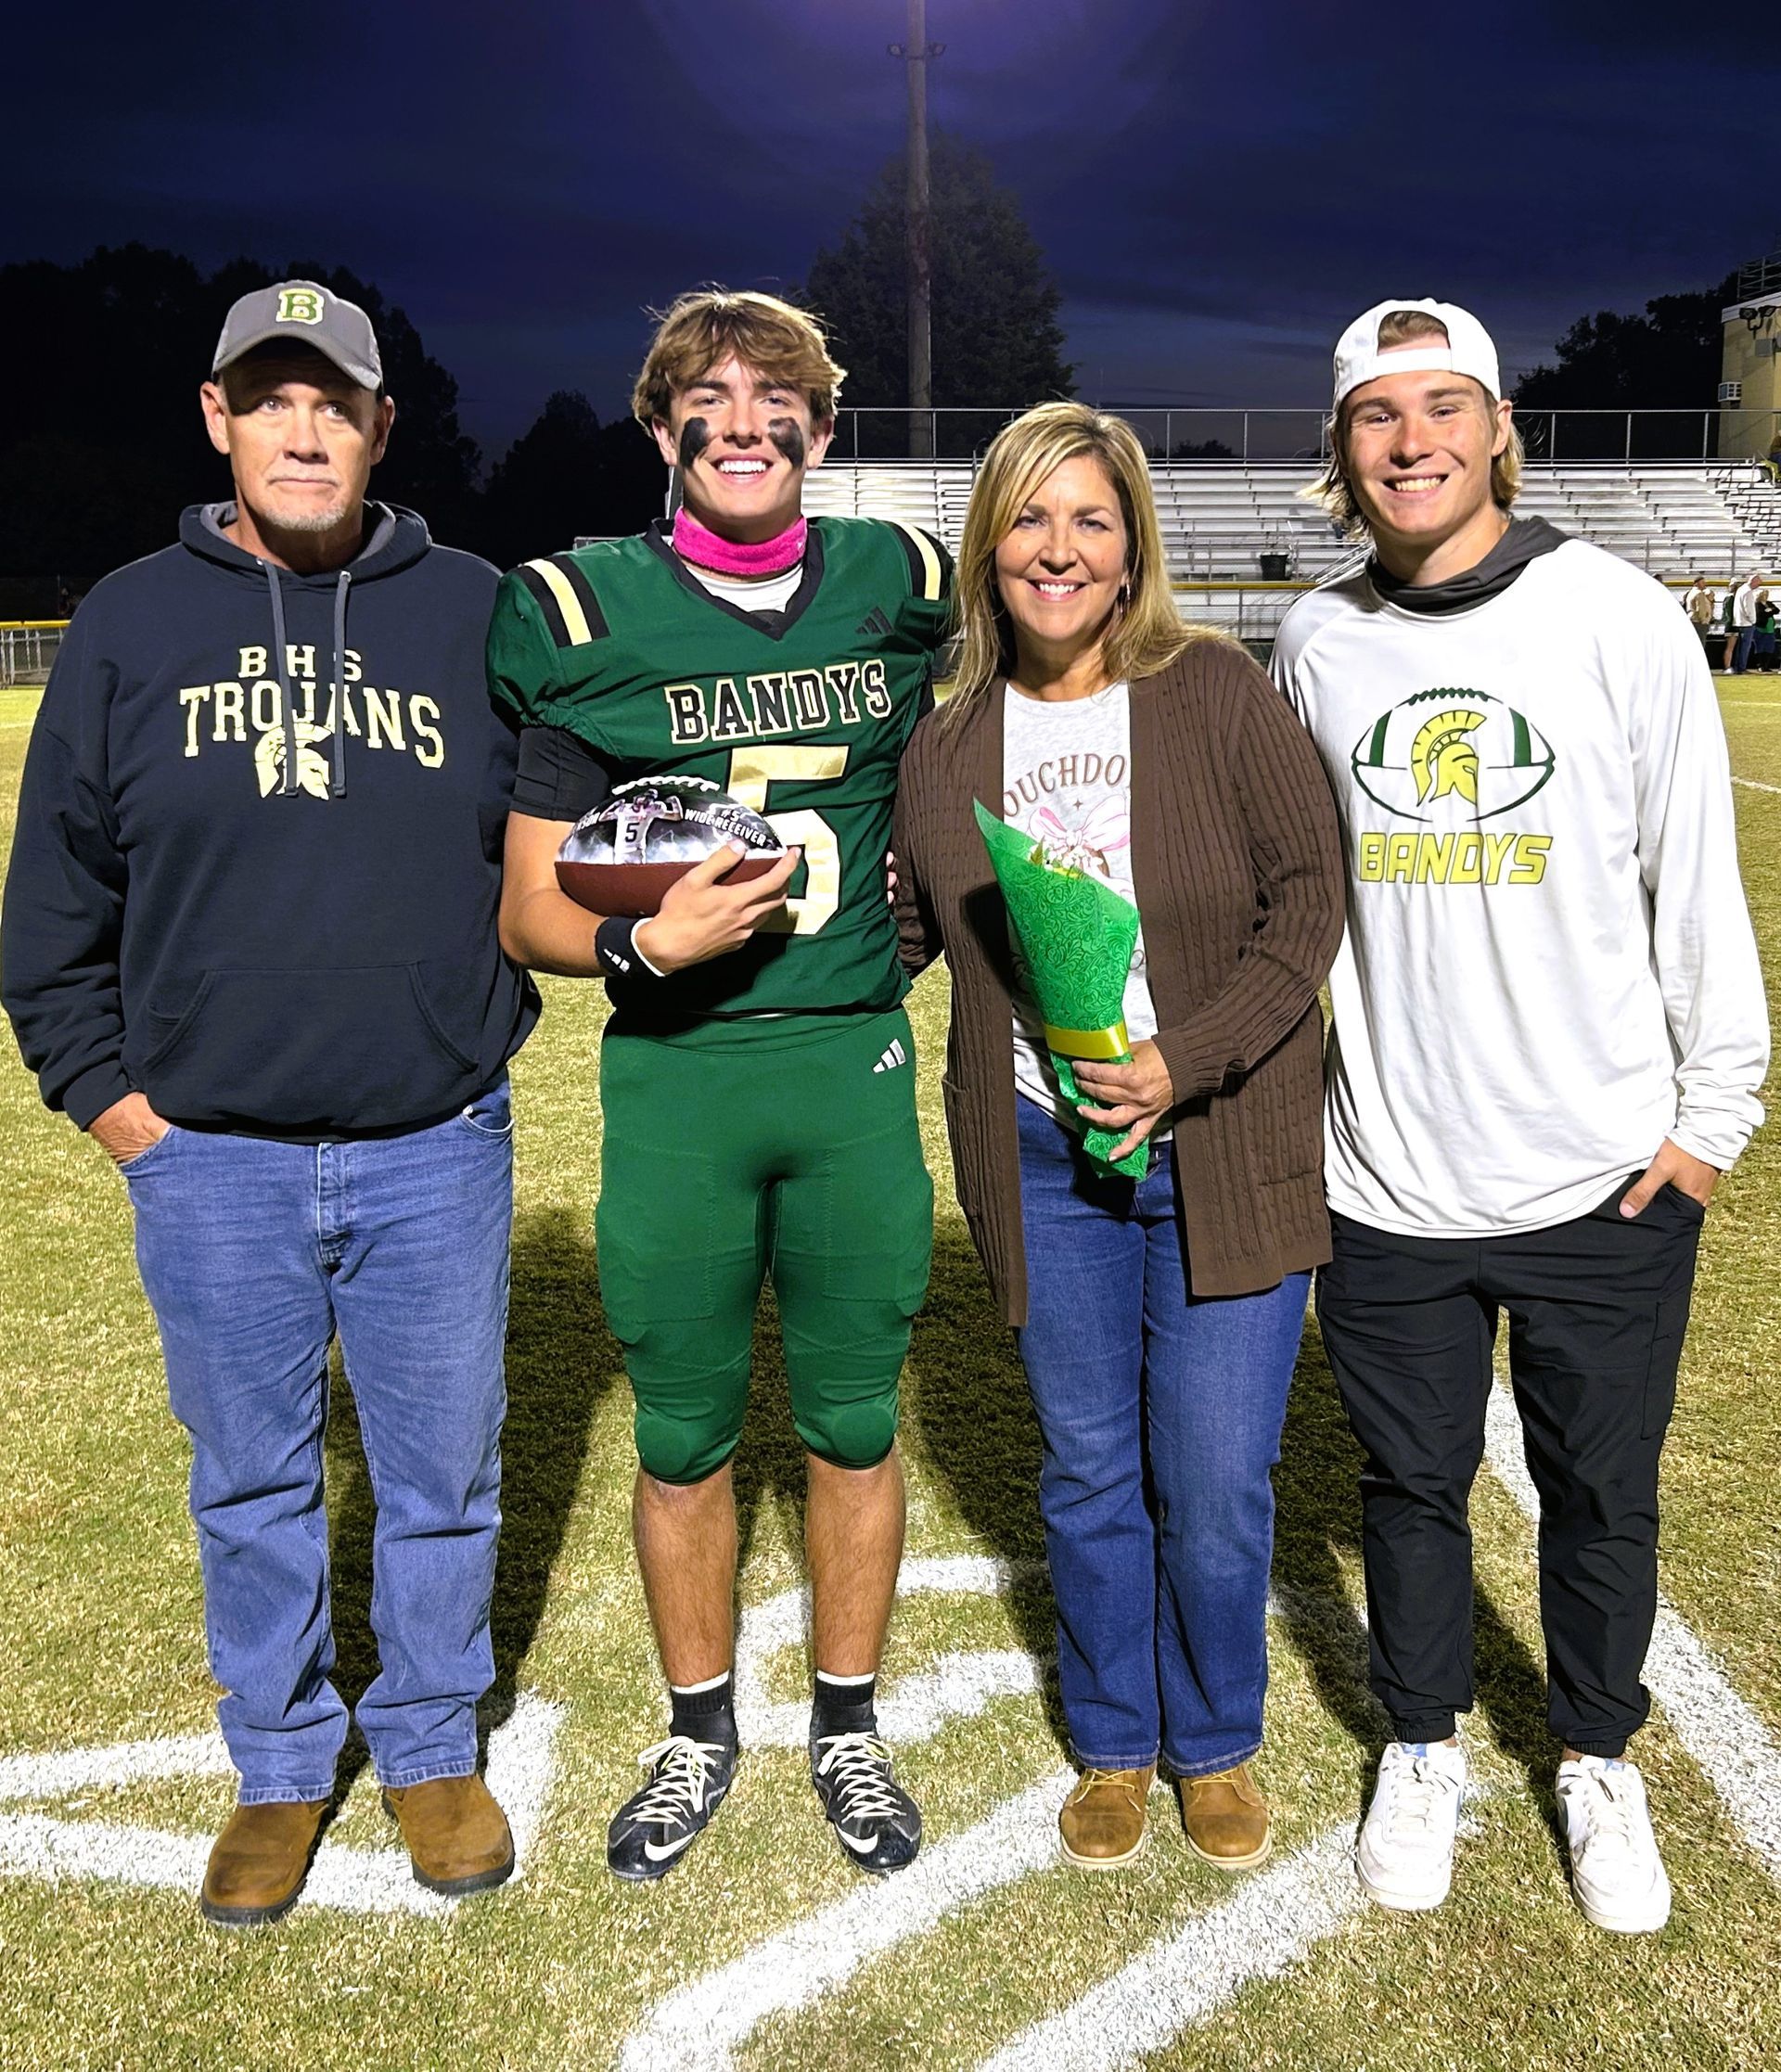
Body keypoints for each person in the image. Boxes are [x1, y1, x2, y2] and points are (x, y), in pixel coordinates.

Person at [1, 281, 539, 1925]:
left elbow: (554, 834)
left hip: (430, 1145)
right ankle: (286, 1760)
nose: (306, 427)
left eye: (338, 401)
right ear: (219, 417)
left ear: (382, 426)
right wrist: (119, 1111)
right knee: (249, 1480)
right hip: (212, 1158)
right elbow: (50, 908)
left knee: (445, 1470)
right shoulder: (127, 622)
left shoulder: (472, 609)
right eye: (272, 397)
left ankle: (434, 1738)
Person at [1275, 299, 1768, 1934]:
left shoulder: (1618, 615)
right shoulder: (1319, 644)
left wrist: (1710, 1122)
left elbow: (1693, 877)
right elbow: (1298, 900)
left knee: (1599, 1490)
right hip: (1391, 1177)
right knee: (1406, 1491)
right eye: (1374, 417)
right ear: (1343, 452)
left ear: (1498, 427)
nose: (1410, 441)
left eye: (1442, 407)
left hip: (1604, 1175)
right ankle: (1421, 1743)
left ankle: (1597, 1753)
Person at [487, 289, 952, 1881]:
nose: (744, 419)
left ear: (823, 433)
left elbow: (980, 754)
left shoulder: (902, 579)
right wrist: (648, 944)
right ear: (662, 426)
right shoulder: (580, 609)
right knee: (681, 1430)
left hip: (851, 1064)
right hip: (679, 1077)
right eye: (710, 395)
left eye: (778, 397)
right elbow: (531, 905)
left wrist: (939, 889)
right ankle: (697, 1727)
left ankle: (845, 1720)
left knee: (851, 1416)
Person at [892, 403, 1344, 1874]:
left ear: (1133, 542)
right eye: (1030, 518)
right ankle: (1116, 1739)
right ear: (989, 545)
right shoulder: (949, 737)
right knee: (1088, 1471)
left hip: (1216, 1143)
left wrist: (1179, 1061)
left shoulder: (1212, 689)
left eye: (1091, 519)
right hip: (1042, 1160)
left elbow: (1308, 904)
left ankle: (1214, 1738)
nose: (1060, 549)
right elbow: (906, 925)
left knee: (1213, 1476)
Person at [1730, 568, 1764, 671]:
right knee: (1745, 647)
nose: (1758, 585)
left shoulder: (1741, 589)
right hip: (1747, 623)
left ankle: (1737, 666)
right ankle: (1742, 667)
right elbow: (1748, 609)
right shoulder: (1748, 592)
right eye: (1758, 583)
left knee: (1739, 647)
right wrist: (1753, 620)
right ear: (1753, 581)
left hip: (1739, 622)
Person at [1683, 574, 1715, 660]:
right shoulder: (1699, 593)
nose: (1704, 584)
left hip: (1692, 619)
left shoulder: (1690, 592)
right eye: (1702, 582)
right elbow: (1701, 609)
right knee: (1700, 645)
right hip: (1699, 622)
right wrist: (1704, 620)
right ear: (1696, 584)